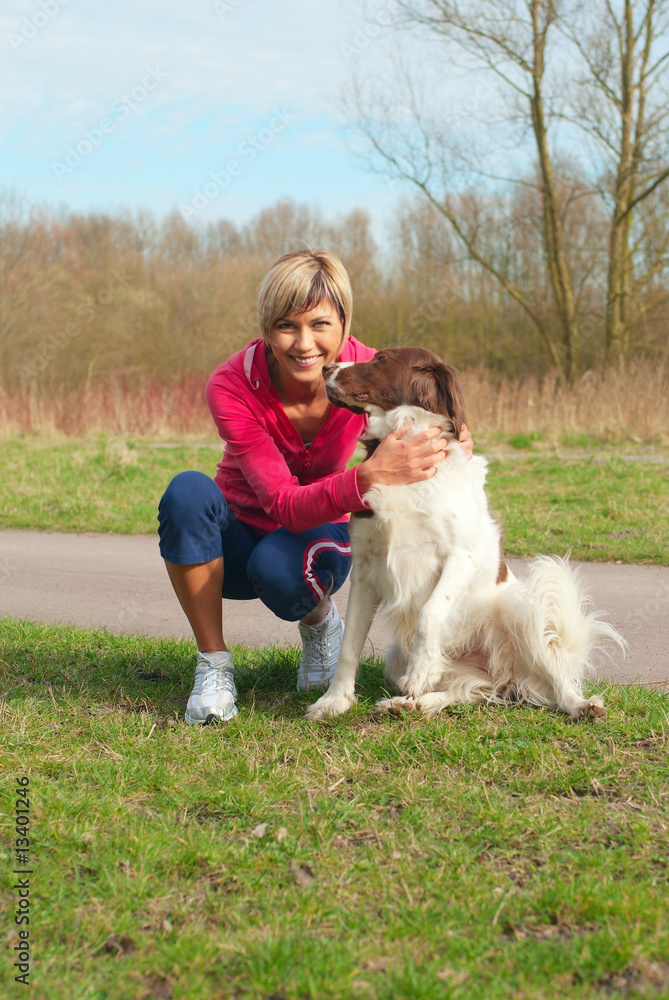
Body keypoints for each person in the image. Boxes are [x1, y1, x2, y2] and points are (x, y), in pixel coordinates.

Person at [158, 249, 473, 724]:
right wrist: (368, 476)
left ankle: (321, 625)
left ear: (345, 322)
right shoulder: (231, 384)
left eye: (321, 324)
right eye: (286, 325)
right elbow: (282, 502)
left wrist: (455, 434)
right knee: (186, 493)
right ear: (267, 328)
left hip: (314, 542)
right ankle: (214, 666)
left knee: (278, 567)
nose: (304, 343)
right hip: (239, 539)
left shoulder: (370, 373)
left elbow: (435, 408)